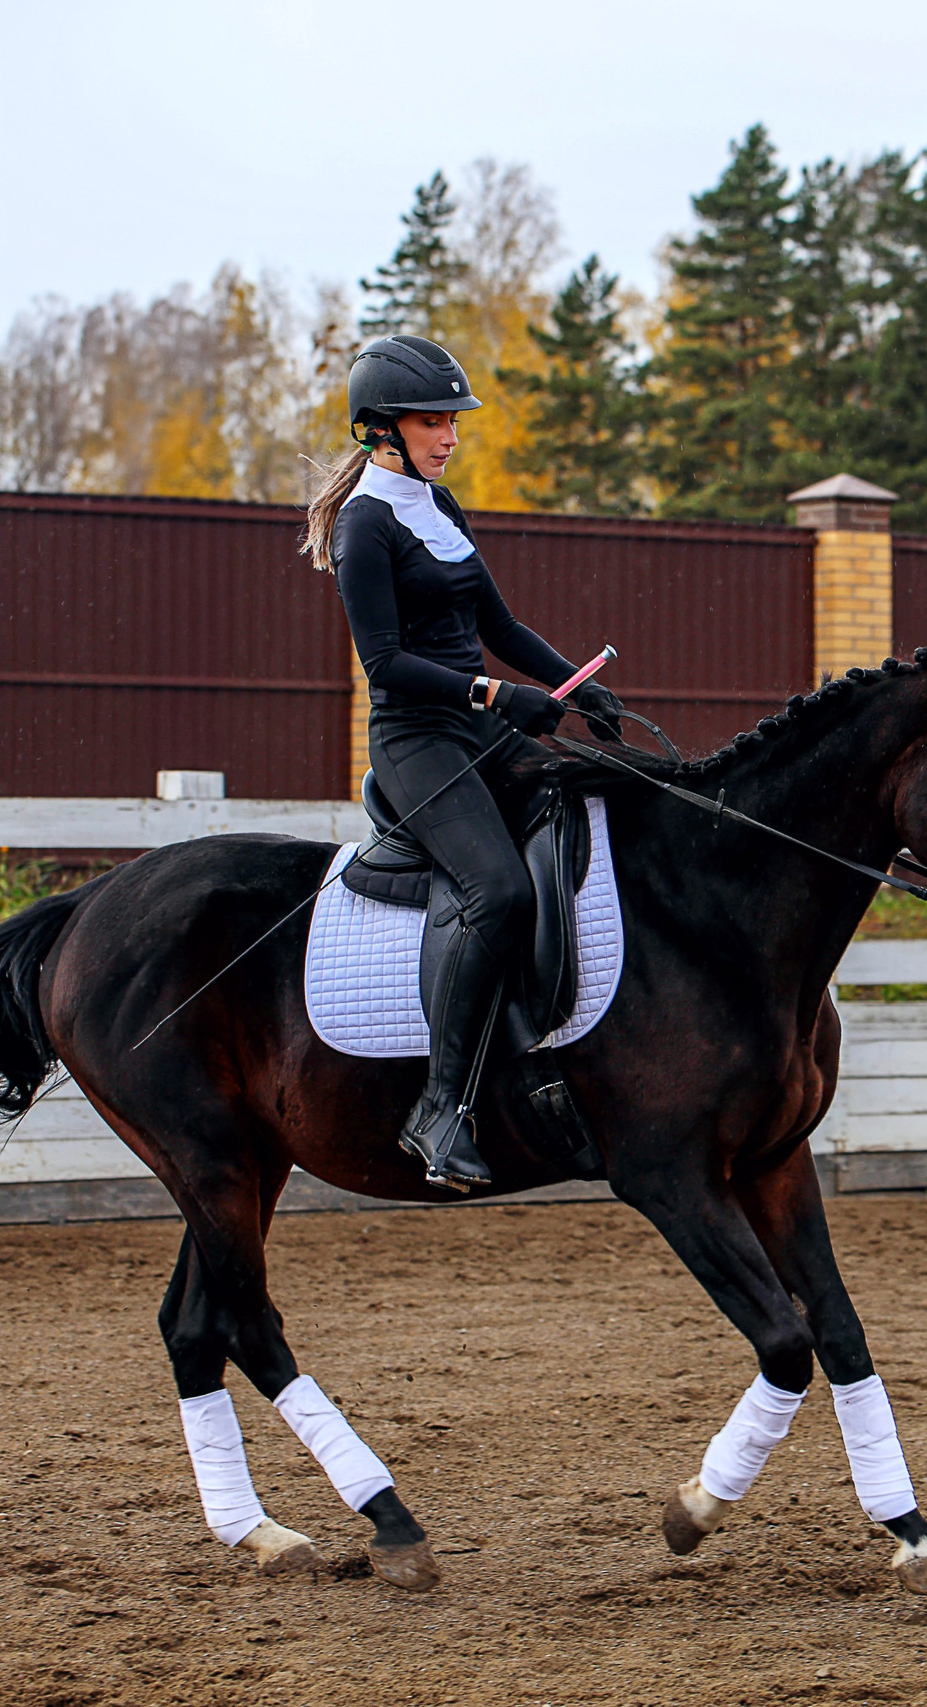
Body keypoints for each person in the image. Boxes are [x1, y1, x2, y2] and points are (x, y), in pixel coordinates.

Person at [301, 334, 623, 1190]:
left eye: (452, 420)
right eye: (433, 421)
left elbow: (503, 629)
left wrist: (573, 685)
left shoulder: (440, 507)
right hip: (417, 742)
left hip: (479, 730)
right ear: (381, 431)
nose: (449, 435)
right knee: (498, 888)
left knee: (599, 804)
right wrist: (494, 695)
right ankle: (440, 1108)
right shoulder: (365, 524)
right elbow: (388, 665)